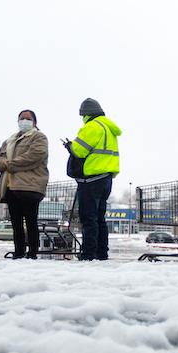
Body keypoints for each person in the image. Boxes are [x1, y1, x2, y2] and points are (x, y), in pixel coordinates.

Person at [65, 98, 121, 261]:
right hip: (106, 178)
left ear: (86, 114)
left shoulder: (92, 127)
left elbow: (80, 150)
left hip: (91, 180)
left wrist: (70, 146)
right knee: (100, 218)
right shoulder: (108, 128)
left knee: (88, 218)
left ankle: (88, 254)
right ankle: (102, 253)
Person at [0, 109, 49, 259]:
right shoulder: (9, 140)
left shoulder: (39, 137)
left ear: (34, 122)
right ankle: (18, 252)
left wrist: (9, 164)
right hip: (11, 187)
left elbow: (34, 156)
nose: (24, 121)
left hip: (30, 186)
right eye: (21, 118)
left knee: (31, 221)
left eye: (28, 118)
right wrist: (3, 163)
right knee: (16, 222)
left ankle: (32, 253)